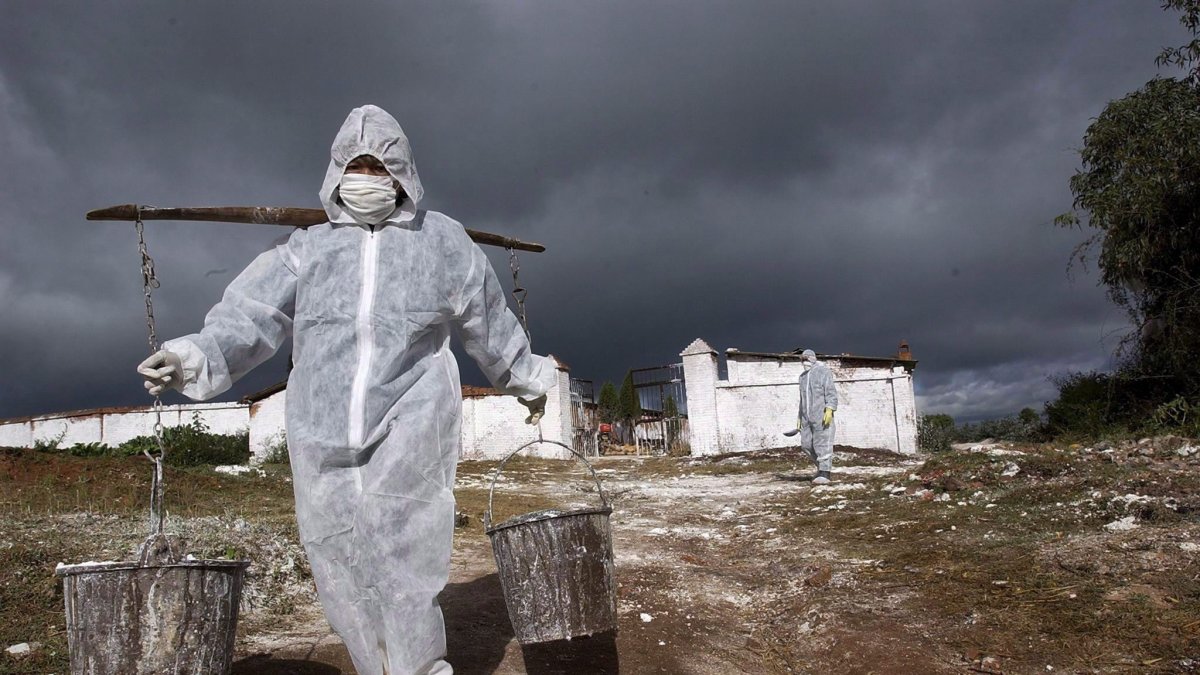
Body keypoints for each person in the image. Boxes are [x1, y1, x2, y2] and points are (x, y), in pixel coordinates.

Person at [136, 104, 555, 675]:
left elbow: (489, 318)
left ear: (403, 174)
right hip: (321, 429)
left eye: (379, 167)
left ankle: (417, 669)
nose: (367, 179)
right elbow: (249, 318)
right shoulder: (307, 249)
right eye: (355, 167)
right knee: (337, 555)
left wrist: (526, 378)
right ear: (335, 175)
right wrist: (189, 357)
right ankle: (374, 666)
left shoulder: (444, 243)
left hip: (412, 416)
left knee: (402, 550)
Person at [791, 349, 837, 484]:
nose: (804, 362)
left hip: (821, 415)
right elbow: (802, 399)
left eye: (806, 359)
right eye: (802, 359)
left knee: (822, 443)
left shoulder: (823, 372)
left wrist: (829, 409)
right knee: (806, 445)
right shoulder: (803, 377)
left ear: (813, 358)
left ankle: (825, 472)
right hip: (806, 416)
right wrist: (800, 417)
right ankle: (820, 468)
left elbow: (831, 392)